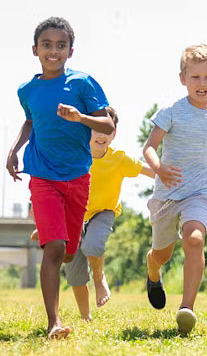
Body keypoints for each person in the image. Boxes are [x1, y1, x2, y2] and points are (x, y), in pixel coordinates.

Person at [5, 17, 114, 339]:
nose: (54, 51)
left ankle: (53, 231)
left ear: (70, 50)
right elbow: (30, 121)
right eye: (47, 45)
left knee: (67, 252)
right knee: (53, 249)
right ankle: (54, 322)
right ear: (35, 49)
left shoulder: (83, 84)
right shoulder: (27, 90)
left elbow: (107, 125)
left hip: (77, 176)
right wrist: (14, 150)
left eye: (61, 45)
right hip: (42, 174)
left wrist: (80, 117)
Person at [143, 44, 207, 335]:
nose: (202, 83)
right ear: (182, 78)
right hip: (166, 196)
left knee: (195, 239)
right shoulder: (171, 112)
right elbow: (148, 148)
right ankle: (152, 268)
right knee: (163, 253)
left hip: (198, 193)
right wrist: (159, 168)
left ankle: (187, 308)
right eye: (195, 77)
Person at [63, 106, 154, 321]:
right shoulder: (74, 157)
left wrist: (171, 178)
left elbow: (146, 170)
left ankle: (98, 277)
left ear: (114, 134)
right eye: (96, 128)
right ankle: (86, 317)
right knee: (75, 273)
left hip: (103, 212)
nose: (102, 134)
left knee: (93, 246)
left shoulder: (119, 160)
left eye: (107, 129)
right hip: (74, 216)